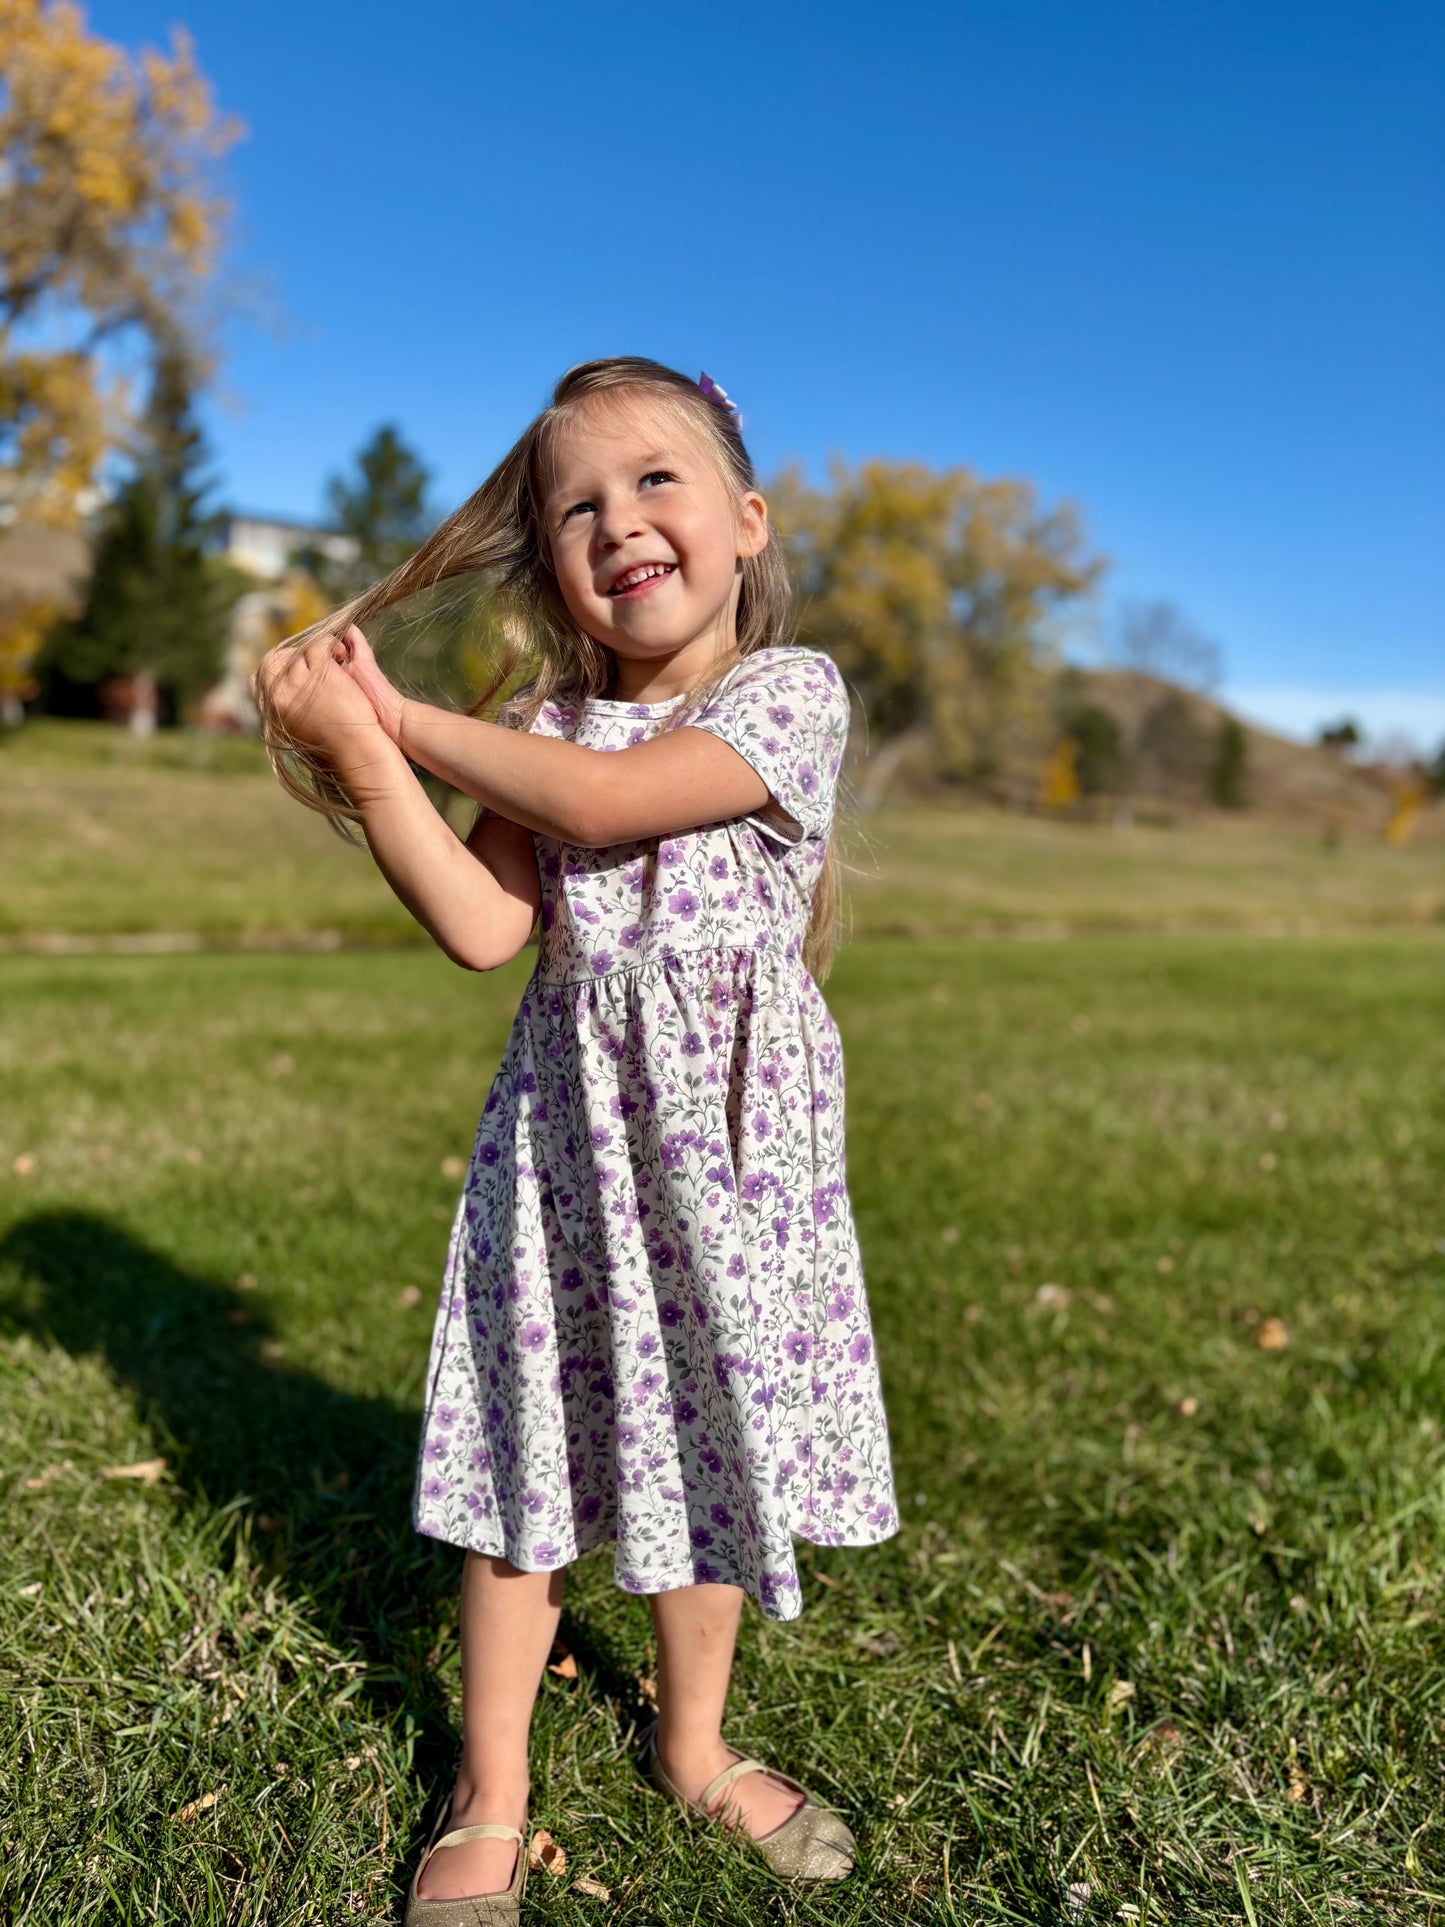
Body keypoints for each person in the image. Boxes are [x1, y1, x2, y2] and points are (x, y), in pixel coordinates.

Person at [255, 357, 897, 1923]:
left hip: (730, 1180)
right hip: (567, 1159)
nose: (619, 523)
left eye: (656, 482)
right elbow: (485, 925)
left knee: (709, 1453)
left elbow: (611, 808)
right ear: (551, 560)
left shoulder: (783, 696)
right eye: (576, 507)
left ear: (745, 523)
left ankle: (692, 1746)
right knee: (522, 1461)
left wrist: (398, 715)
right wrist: (360, 759)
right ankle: (490, 1790)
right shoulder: (544, 724)